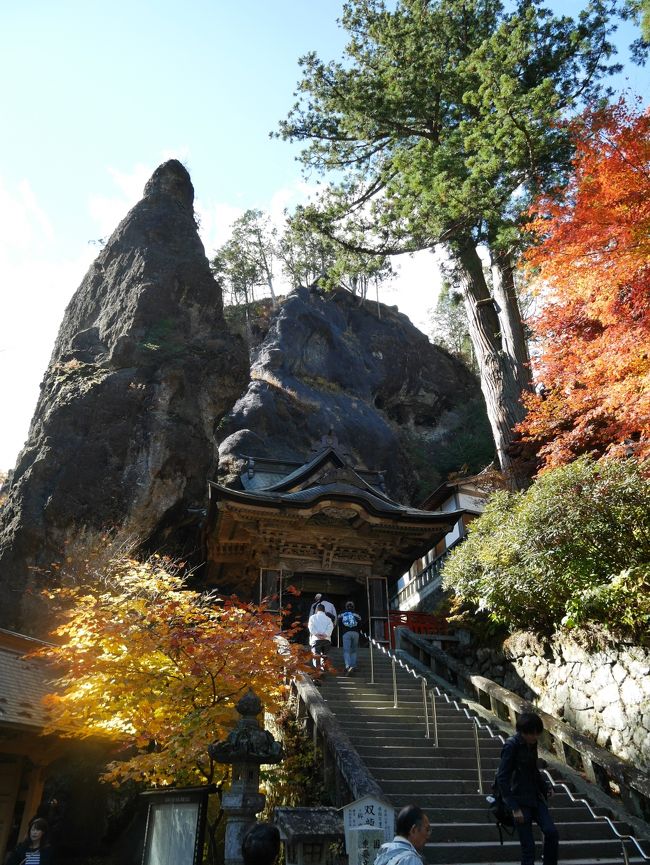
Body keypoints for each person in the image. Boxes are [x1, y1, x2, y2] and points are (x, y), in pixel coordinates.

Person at [496, 712, 559, 865]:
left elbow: (533, 770)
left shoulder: (532, 744)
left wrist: (545, 787)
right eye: (532, 733)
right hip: (519, 800)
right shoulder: (512, 745)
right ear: (523, 731)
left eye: (537, 733)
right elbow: (502, 777)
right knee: (528, 847)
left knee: (551, 832)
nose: (535, 737)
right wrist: (513, 807)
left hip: (535, 797)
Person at [338, 600, 362, 674]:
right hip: (355, 633)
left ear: (346, 606)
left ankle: (348, 666)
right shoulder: (357, 614)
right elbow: (360, 624)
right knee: (354, 650)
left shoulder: (342, 613)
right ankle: (353, 665)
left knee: (346, 650)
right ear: (353, 607)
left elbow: (339, 624)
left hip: (346, 633)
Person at [307, 603, 334, 669]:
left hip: (316, 639)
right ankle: (324, 669)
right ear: (324, 610)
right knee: (325, 656)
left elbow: (311, 627)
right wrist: (325, 635)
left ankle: (318, 673)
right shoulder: (328, 619)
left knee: (316, 656)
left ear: (316, 610)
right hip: (326, 639)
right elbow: (331, 627)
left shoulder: (312, 617)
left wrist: (317, 634)